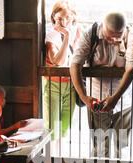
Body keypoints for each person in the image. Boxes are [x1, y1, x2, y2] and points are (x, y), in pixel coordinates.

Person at [70, 12, 133, 158]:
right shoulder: (91, 34)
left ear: (124, 29)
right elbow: (75, 64)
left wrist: (115, 97)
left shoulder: (132, 36)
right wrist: (84, 97)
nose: (114, 40)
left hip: (123, 99)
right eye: (109, 36)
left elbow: (132, 68)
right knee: (100, 147)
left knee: (123, 147)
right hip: (96, 99)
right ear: (103, 27)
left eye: (118, 36)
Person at [43, 1, 81, 155]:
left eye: (67, 18)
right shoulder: (51, 34)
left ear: (73, 17)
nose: (63, 22)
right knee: (52, 129)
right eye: (59, 19)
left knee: (64, 128)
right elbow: (57, 62)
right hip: (53, 84)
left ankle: (59, 160)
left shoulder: (78, 31)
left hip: (71, 84)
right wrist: (67, 36)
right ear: (53, 18)